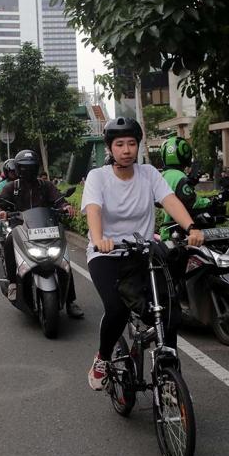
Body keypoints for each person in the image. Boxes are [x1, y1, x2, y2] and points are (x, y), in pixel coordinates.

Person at [83, 117, 204, 390]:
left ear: (138, 146)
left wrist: (191, 226)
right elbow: (94, 208)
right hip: (107, 255)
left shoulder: (149, 173)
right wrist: (99, 238)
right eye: (119, 144)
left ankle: (170, 381)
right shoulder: (98, 177)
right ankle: (102, 357)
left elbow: (170, 200)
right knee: (117, 308)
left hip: (143, 251)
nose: (126, 150)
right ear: (110, 148)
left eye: (131, 143)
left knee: (168, 311)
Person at [0, 149, 83, 319]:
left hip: (46, 228)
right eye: (24, 168)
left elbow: (59, 200)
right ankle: (13, 282)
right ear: (18, 169)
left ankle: (70, 301)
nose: (28, 171)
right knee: (10, 241)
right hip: (20, 229)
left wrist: (66, 207)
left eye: (31, 167)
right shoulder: (12, 187)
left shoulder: (45, 186)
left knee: (63, 261)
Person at [158, 136, 212, 241]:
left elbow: (175, 194)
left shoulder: (163, 175)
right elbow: (191, 202)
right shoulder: (179, 176)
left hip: (167, 231)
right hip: (178, 233)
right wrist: (211, 201)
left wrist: (190, 183)